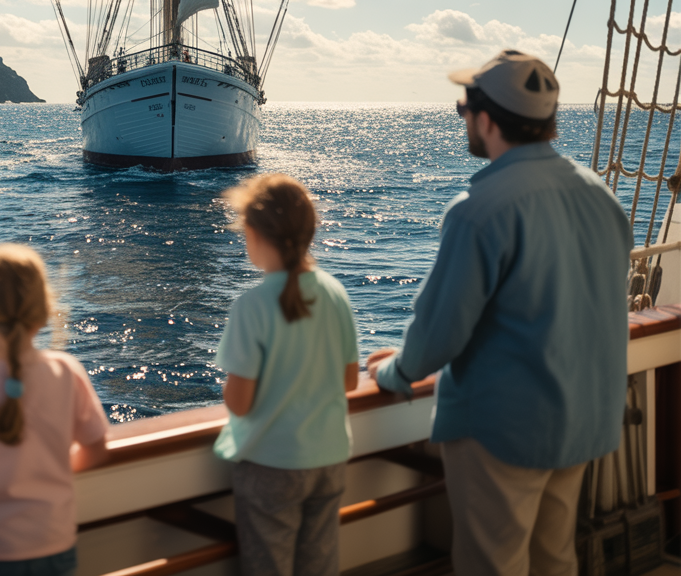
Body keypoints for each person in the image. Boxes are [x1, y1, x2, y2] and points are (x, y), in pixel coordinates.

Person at [368, 50, 632, 576]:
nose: (463, 116)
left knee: (494, 565)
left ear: (487, 118)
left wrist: (393, 372)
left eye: (463, 106)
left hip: (506, 429)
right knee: (555, 557)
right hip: (582, 417)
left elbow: (439, 332)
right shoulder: (600, 195)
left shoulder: (479, 209)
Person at [0, 243, 108, 576]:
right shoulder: (67, 371)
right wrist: (50, 467)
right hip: (54, 540)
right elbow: (96, 450)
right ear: (42, 312)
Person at [213, 173, 360, 576]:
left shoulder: (252, 306)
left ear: (255, 234)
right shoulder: (335, 293)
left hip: (271, 465)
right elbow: (349, 381)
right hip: (328, 459)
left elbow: (239, 402)